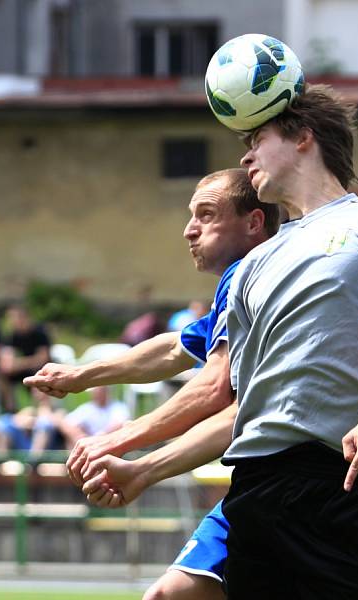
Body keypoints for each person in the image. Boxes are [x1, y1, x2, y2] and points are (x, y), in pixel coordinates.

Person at [84, 85, 358, 600]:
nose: (246, 155)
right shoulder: (250, 268)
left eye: (258, 137)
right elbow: (237, 405)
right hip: (255, 484)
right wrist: (144, 471)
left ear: (303, 138)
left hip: (345, 476)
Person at [26, 167, 279, 600]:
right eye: (190, 215)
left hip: (288, 479)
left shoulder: (247, 275)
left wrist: (115, 441)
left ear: (254, 223)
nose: (189, 231)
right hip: (267, 479)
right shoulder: (242, 285)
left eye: (206, 215)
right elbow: (173, 349)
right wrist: (79, 376)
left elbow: (213, 388)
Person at [0, 304, 51, 412]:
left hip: (38, 369)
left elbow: (42, 358)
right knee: (1, 375)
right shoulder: (11, 337)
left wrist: (20, 363)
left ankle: (42, 411)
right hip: (20, 370)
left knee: (40, 376)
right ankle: (11, 410)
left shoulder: (40, 334)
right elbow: (6, 364)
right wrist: (19, 364)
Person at [0, 386, 65, 457]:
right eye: (36, 391)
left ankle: (34, 461)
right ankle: (1, 458)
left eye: (42, 391)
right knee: (4, 421)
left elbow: (56, 422)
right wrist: (28, 422)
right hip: (27, 444)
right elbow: (16, 421)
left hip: (48, 449)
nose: (39, 394)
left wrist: (39, 418)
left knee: (44, 425)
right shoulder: (30, 410)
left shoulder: (58, 411)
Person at [57, 386, 130, 449]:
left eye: (101, 390)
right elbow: (67, 423)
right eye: (96, 390)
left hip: (110, 444)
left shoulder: (118, 407)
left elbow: (120, 423)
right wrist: (79, 436)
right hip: (91, 445)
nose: (98, 392)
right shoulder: (87, 408)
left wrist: (99, 437)